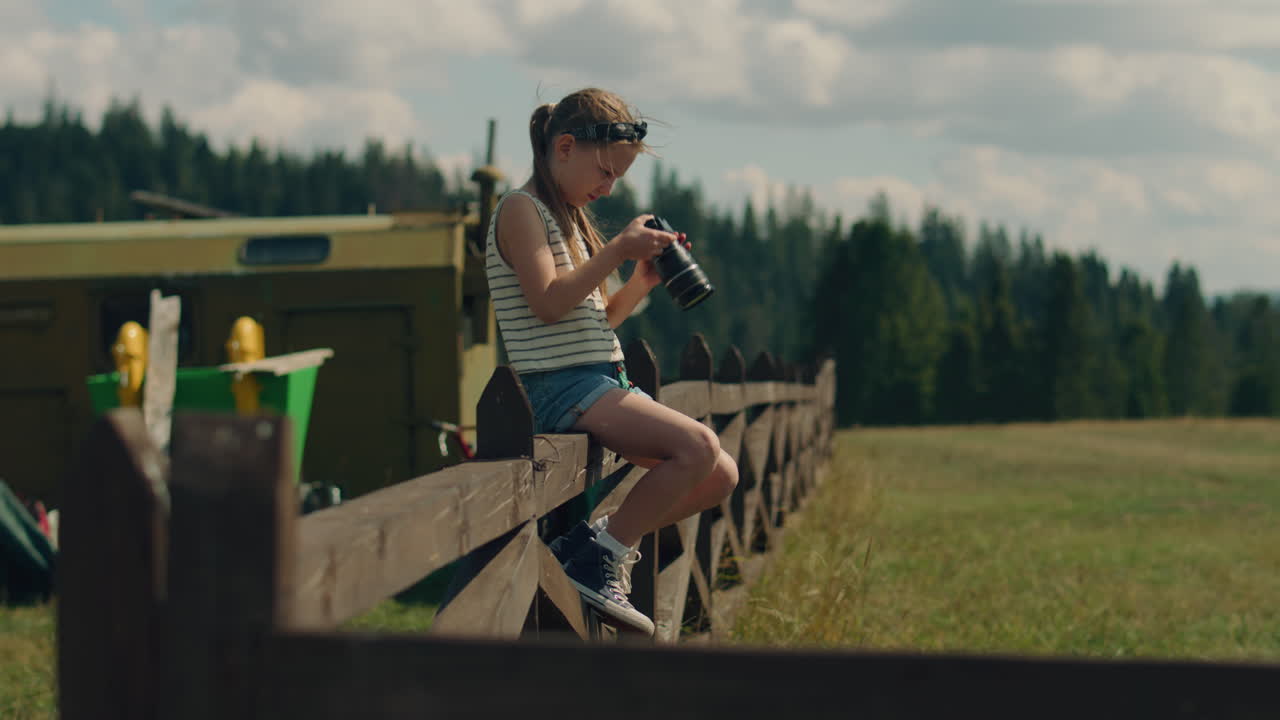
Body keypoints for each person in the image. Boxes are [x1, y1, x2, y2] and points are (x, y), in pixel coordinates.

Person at [486, 88, 739, 634]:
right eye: (604, 172)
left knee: (720, 475)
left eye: (618, 178)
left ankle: (592, 543)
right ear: (565, 148)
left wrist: (640, 281)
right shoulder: (519, 210)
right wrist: (617, 251)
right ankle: (599, 556)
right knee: (698, 445)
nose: (608, 187)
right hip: (558, 386)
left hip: (597, 377)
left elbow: (595, 320)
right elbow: (549, 303)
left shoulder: (571, 220)